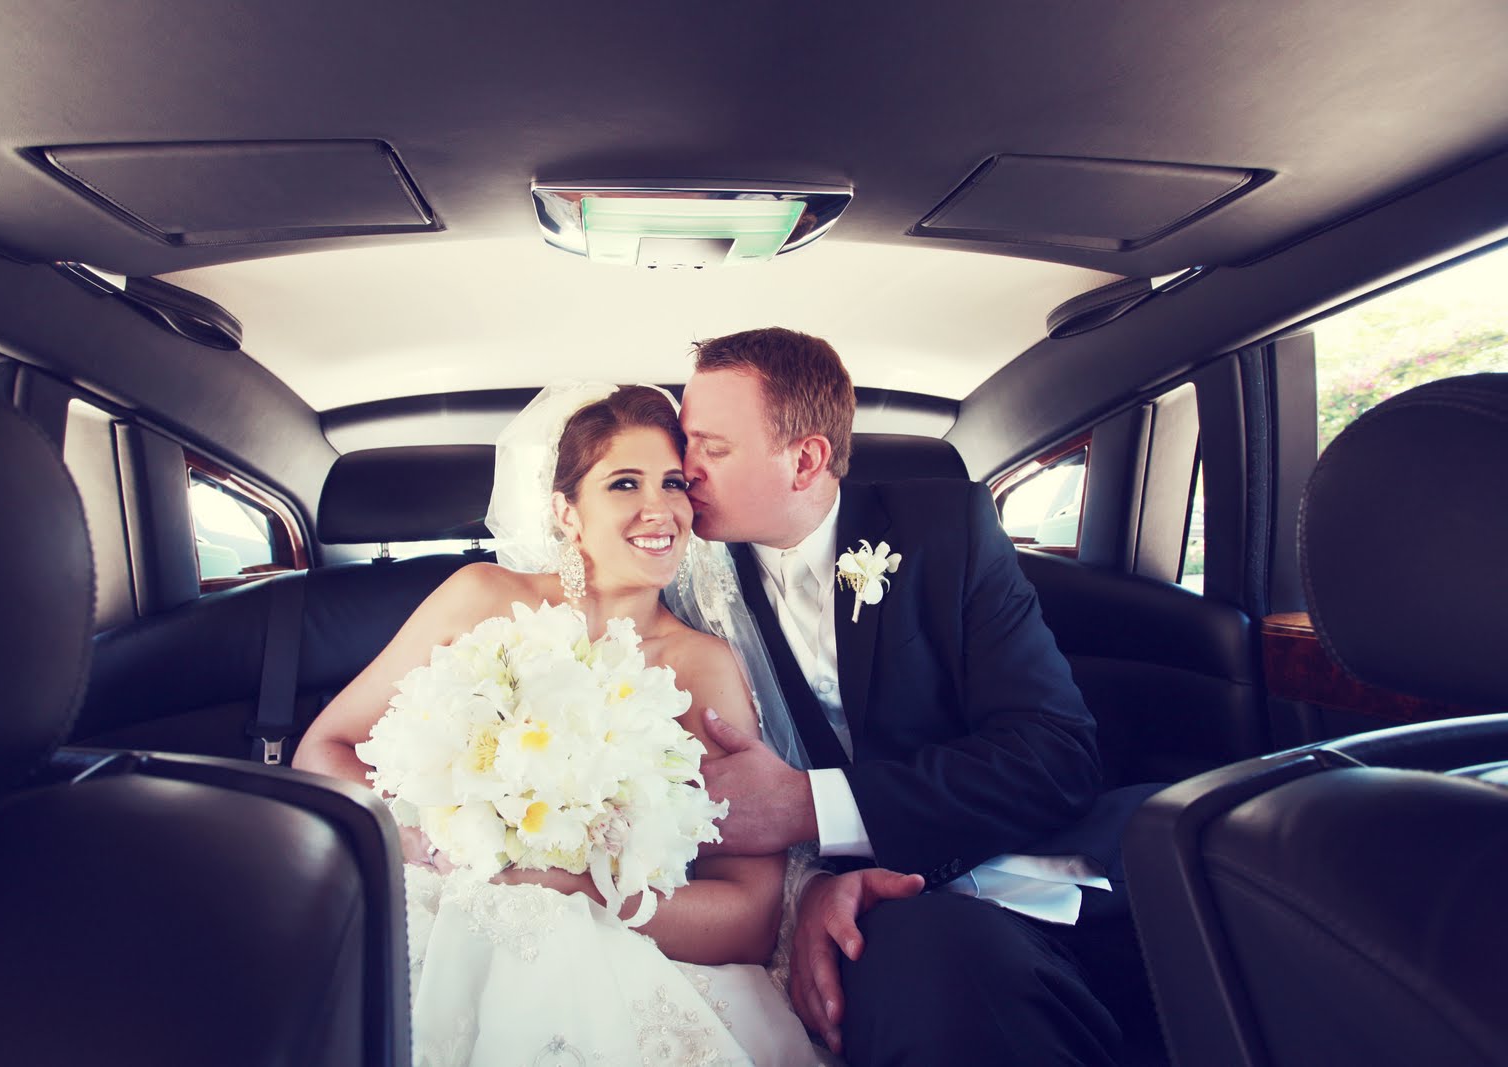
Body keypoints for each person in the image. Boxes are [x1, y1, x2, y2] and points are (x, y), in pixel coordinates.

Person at [295, 384, 824, 1066]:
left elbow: (750, 918)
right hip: (437, 902)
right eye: (624, 482)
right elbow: (322, 748)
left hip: (618, 949)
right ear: (565, 513)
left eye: (673, 482)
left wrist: (578, 888)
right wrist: (427, 839)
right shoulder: (480, 598)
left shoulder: (704, 668)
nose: (658, 507)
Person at [678, 327, 1124, 1065]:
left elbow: (1058, 756)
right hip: (891, 926)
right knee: (940, 990)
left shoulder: (947, 531)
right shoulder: (683, 585)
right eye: (683, 442)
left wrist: (805, 804)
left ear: (806, 459)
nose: (682, 470)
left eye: (711, 448)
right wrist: (812, 886)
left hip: (1050, 869)